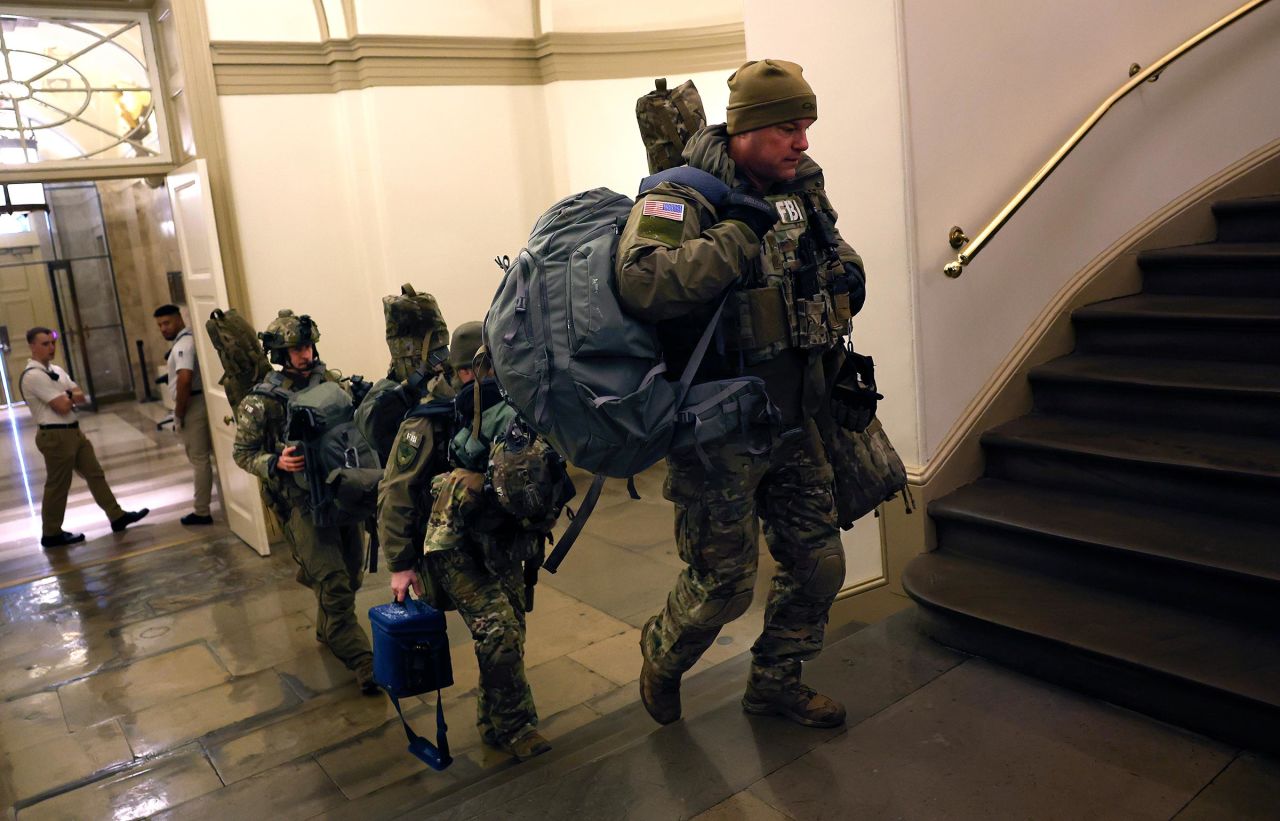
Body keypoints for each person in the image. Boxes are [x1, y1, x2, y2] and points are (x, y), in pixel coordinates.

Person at [616, 59, 867, 729]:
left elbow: (829, 243)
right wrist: (734, 236)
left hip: (794, 418)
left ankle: (775, 681)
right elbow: (642, 279)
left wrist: (848, 271)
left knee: (819, 563)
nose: (803, 143)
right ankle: (663, 652)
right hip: (717, 431)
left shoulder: (801, 184)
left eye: (807, 126)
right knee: (723, 585)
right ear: (746, 129)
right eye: (789, 127)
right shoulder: (679, 192)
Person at [378, 321, 553, 762]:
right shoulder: (428, 418)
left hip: (500, 538)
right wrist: (400, 563)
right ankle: (518, 727)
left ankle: (492, 721)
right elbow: (395, 490)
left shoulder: (509, 401)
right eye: (479, 372)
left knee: (509, 630)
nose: (487, 379)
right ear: (461, 371)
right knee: (499, 631)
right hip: (450, 543)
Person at [232, 310, 376, 693]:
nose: (305, 354)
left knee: (351, 575)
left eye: (308, 345)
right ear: (280, 354)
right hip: (300, 503)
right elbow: (242, 452)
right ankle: (363, 661)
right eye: (296, 349)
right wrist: (274, 461)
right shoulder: (261, 401)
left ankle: (329, 627)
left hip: (342, 492)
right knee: (334, 584)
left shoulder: (330, 382)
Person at [20, 327, 149, 548]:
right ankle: (51, 533)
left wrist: (68, 396)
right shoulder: (32, 376)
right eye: (45, 344)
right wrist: (69, 395)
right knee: (58, 484)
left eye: (52, 343)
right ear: (32, 346)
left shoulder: (57, 370)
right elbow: (61, 405)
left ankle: (116, 516)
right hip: (55, 434)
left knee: (95, 473)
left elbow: (80, 395)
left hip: (73, 431)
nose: (51, 348)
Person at [154, 305, 215, 526]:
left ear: (180, 319)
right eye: (160, 325)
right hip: (196, 400)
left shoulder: (184, 345)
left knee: (198, 459)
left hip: (193, 403)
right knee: (202, 458)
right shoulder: (186, 341)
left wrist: (179, 414)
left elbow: (185, 379)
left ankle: (201, 511)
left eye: (167, 323)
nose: (163, 328)